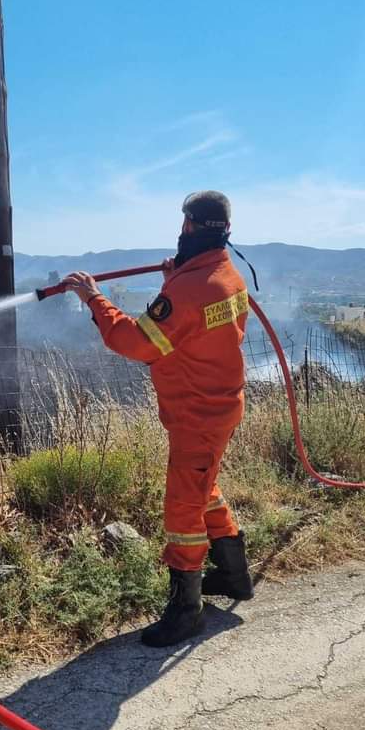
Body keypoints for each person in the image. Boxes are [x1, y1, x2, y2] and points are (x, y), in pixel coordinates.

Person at [64, 190, 253, 648]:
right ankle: (233, 575)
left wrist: (94, 299)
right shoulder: (225, 275)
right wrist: (176, 277)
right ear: (224, 230)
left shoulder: (192, 288)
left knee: (184, 509)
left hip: (196, 414)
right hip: (219, 405)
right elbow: (196, 317)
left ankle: (186, 610)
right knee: (203, 488)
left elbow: (137, 343)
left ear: (189, 226)